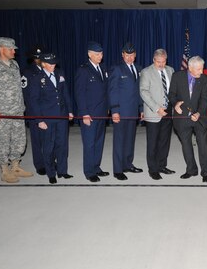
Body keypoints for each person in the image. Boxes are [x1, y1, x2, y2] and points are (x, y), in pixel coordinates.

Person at [0, 37, 32, 183]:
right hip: (1, 112)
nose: (14, 51)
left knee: (19, 140)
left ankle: (16, 166)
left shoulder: (15, 65)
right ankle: (4, 170)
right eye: (11, 49)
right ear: (2, 49)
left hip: (17, 111)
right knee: (3, 141)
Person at [27, 53, 74, 184]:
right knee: (49, 146)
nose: (53, 66)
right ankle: (51, 173)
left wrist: (70, 111)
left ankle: (62, 171)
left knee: (63, 145)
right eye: (50, 64)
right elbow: (33, 101)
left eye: (54, 63)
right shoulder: (37, 78)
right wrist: (39, 120)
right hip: (47, 118)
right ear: (43, 64)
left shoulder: (60, 73)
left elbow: (65, 94)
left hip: (62, 116)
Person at [169, 56, 207, 182]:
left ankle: (206, 172)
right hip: (182, 117)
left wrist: (199, 113)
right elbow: (172, 94)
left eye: (202, 69)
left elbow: (205, 99)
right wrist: (175, 103)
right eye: (198, 69)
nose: (201, 72)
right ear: (190, 68)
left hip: (199, 117)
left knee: (203, 144)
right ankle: (191, 169)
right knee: (186, 145)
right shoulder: (177, 76)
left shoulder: (205, 80)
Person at [108, 42, 144, 181]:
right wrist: (115, 110)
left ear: (135, 55)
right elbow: (113, 91)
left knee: (130, 140)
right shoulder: (117, 69)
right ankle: (118, 170)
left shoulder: (138, 68)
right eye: (126, 55)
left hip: (133, 111)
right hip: (121, 112)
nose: (129, 57)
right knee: (119, 141)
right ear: (122, 55)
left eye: (131, 55)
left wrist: (141, 108)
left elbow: (139, 92)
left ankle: (127, 164)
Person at [75, 41, 109, 183]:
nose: (100, 56)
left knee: (99, 142)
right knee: (89, 143)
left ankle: (96, 166)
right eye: (96, 54)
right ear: (89, 54)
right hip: (89, 114)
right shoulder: (83, 70)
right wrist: (84, 114)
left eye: (101, 53)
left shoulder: (102, 68)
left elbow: (105, 91)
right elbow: (79, 93)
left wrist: (107, 108)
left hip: (101, 113)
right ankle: (89, 171)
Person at [139, 49, 176, 180]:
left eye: (163, 61)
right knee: (153, 142)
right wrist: (156, 108)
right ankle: (153, 169)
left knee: (165, 141)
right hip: (154, 112)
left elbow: (173, 90)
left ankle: (162, 165)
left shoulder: (171, 70)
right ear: (153, 60)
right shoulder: (146, 72)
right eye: (158, 61)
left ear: (166, 59)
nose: (161, 64)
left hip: (168, 111)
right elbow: (143, 92)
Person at [21, 44, 46, 175]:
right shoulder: (28, 72)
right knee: (37, 140)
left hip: (48, 111)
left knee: (49, 139)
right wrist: (35, 115)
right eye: (37, 58)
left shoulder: (47, 69)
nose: (40, 60)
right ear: (32, 59)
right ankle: (40, 164)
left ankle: (49, 161)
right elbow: (27, 95)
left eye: (41, 57)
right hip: (35, 111)